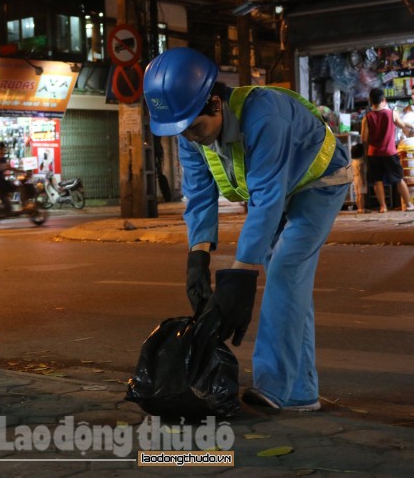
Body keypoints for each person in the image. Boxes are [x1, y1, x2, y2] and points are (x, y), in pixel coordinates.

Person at [143, 47, 352, 412]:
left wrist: (238, 279)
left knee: (286, 269)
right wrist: (198, 256)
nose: (190, 138)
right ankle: (300, 393)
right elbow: (199, 195)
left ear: (215, 104)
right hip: (278, 192)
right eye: (182, 131)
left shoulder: (265, 117)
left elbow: (267, 200)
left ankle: (279, 389)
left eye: (195, 127)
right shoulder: (188, 127)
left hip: (320, 184)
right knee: (289, 285)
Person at [361, 88, 414, 213]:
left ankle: (383, 207)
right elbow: (402, 125)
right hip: (390, 152)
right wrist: (411, 125)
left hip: (373, 153)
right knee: (398, 179)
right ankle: (409, 205)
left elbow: (364, 138)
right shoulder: (392, 113)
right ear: (383, 100)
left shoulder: (367, 117)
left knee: (377, 180)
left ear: (371, 101)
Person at [0, 143, 17, 211]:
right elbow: (5, 167)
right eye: (4, 149)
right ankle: (7, 205)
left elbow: (3, 167)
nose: (4, 151)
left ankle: (7, 203)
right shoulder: (0, 158)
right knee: (14, 187)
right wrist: (16, 170)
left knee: (9, 188)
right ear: (2, 149)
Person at [351, 143, 367, 213]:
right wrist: (363, 180)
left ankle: (358, 208)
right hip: (360, 178)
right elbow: (362, 172)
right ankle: (362, 208)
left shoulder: (353, 162)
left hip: (355, 178)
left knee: (357, 194)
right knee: (361, 194)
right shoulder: (361, 161)